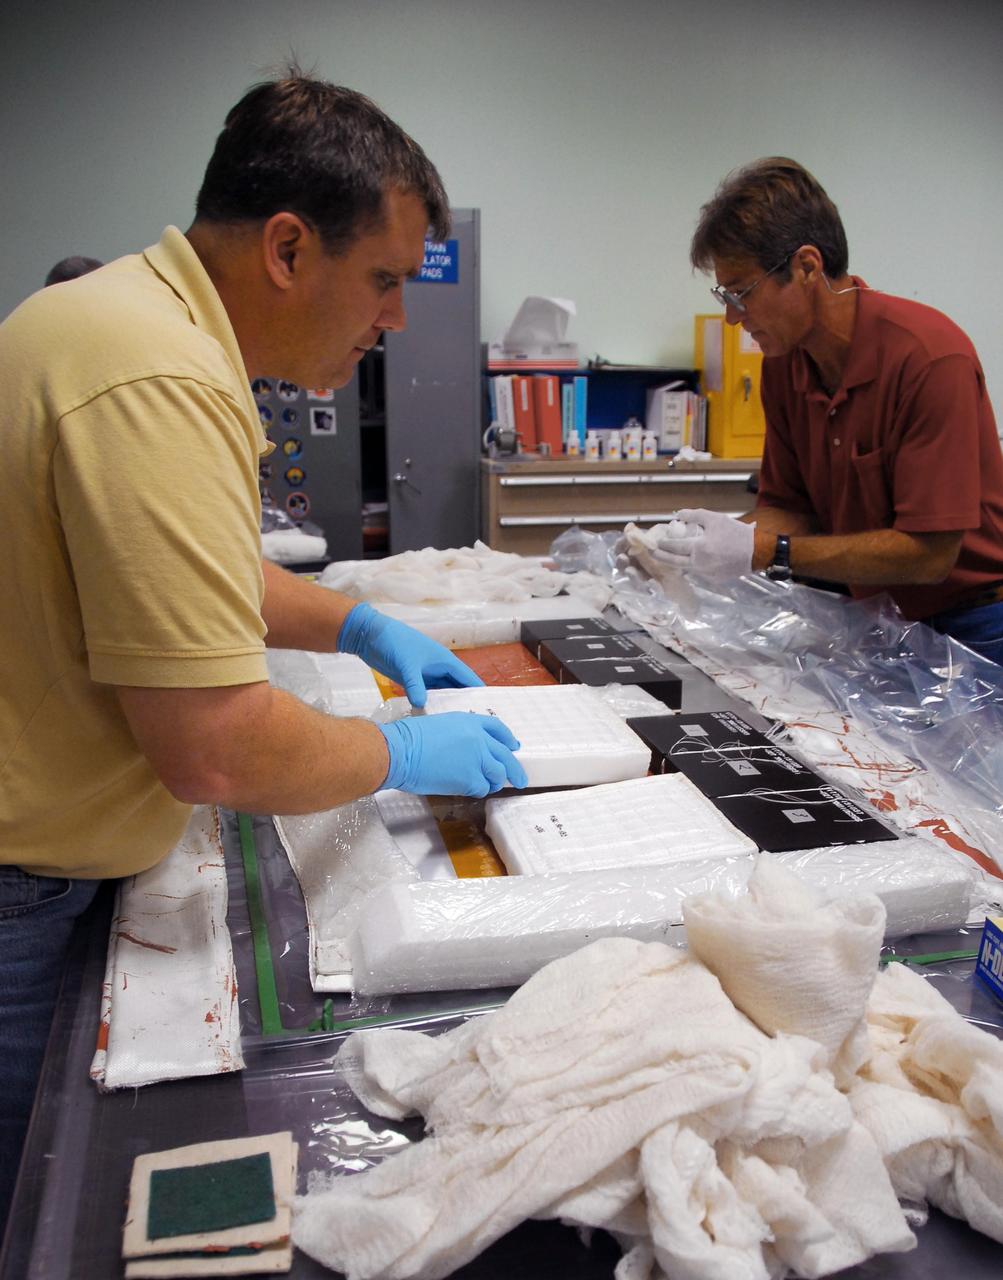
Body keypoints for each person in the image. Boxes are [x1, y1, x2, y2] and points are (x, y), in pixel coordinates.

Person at [0, 74, 527, 1231]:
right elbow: (220, 749)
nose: (395, 318)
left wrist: (355, 621)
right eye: (384, 279)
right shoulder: (159, 372)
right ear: (288, 248)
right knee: (28, 1216)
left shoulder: (130, 325)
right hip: (16, 886)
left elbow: (168, 578)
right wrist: (395, 752)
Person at [640, 157, 1003, 667]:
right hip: (877, 616)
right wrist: (699, 544)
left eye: (742, 292)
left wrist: (767, 551)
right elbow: (792, 509)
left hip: (976, 628)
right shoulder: (786, 366)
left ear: (807, 267)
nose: (731, 316)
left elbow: (930, 554)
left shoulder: (929, 358)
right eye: (725, 295)